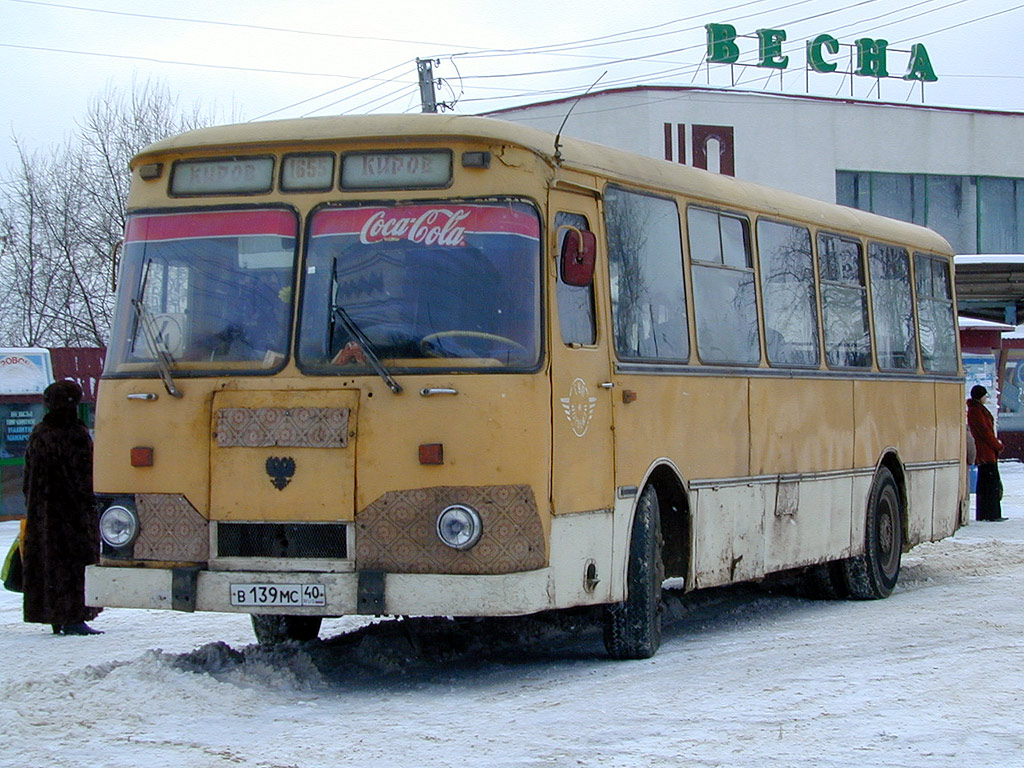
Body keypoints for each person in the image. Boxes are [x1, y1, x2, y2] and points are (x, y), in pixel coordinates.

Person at [22, 380, 103, 634]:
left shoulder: (39, 433)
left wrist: (34, 506)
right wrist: (92, 505)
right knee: (73, 563)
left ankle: (54, 616)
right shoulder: (75, 434)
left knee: (46, 563)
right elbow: (84, 477)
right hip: (71, 514)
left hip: (42, 513)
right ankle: (73, 617)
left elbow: (27, 478)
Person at [966, 384, 1006, 522]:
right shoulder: (976, 411)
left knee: (987, 483)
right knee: (990, 483)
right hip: (986, 452)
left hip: (986, 451)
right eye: (984, 395)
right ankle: (991, 513)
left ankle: (988, 513)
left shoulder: (976, 409)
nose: (986, 398)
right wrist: (997, 445)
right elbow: (985, 431)